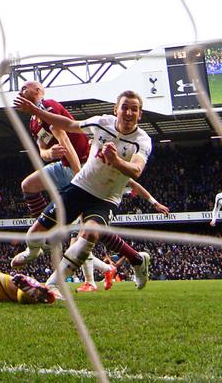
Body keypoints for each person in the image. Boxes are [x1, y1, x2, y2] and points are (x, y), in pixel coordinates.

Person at [12, 90, 154, 295]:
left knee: (90, 234)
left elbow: (137, 170)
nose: (129, 113)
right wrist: (35, 110)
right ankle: (138, 260)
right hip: (80, 186)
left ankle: (53, 284)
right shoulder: (101, 123)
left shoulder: (142, 140)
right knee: (34, 234)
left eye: (134, 109)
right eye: (124, 107)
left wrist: (116, 161)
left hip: (106, 198)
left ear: (140, 114)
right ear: (116, 110)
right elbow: (69, 124)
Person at [76, 180, 170, 292]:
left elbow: (133, 183)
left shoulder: (113, 168)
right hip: (90, 200)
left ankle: (87, 282)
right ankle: (134, 260)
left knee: (86, 238)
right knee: (82, 244)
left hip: (106, 202)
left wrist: (155, 203)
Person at [18, 81, 89, 218]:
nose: (20, 93)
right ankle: (44, 227)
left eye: (24, 89)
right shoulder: (33, 122)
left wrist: (78, 177)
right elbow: (42, 151)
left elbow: (64, 139)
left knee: (84, 225)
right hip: (64, 166)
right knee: (28, 185)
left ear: (37, 90)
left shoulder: (48, 105)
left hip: (82, 165)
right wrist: (49, 153)